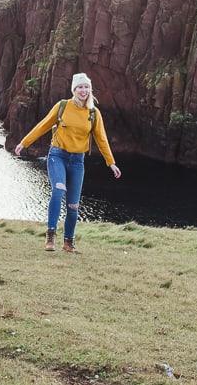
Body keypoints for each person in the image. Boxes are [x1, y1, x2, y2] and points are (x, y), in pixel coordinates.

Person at [14, 72, 121, 253]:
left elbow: (101, 139)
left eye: (86, 87)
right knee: (58, 189)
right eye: (80, 87)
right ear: (74, 89)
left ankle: (68, 243)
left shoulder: (94, 113)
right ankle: (50, 235)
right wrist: (24, 143)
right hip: (58, 156)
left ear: (90, 89)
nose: (83, 90)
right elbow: (43, 125)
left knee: (73, 205)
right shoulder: (63, 106)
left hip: (77, 161)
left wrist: (111, 163)